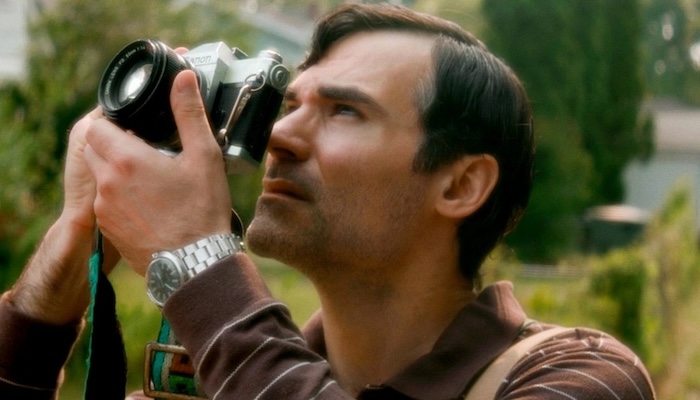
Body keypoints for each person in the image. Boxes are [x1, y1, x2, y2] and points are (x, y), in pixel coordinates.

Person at [0, 3, 656, 399]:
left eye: (344, 112)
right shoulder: (221, 378)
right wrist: (60, 270)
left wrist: (197, 265)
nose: (279, 135)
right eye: (289, 105)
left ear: (460, 185)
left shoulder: (578, 378)